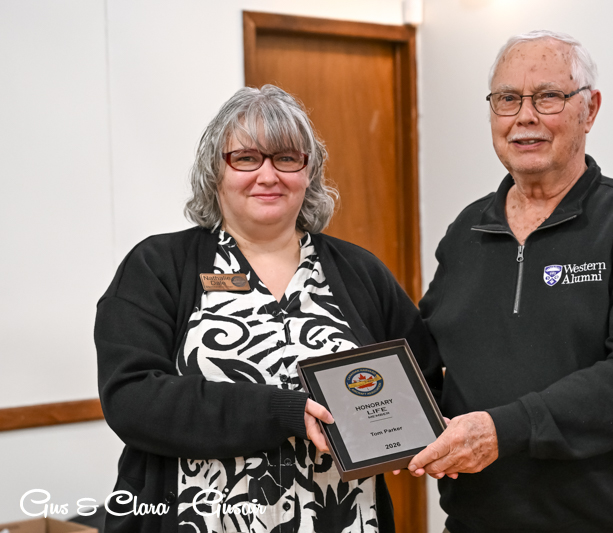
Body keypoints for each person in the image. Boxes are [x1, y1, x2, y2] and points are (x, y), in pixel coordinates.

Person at [95, 85, 437, 533]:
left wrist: (408, 434)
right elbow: (132, 399)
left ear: (309, 172)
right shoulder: (158, 267)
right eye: (246, 158)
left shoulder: (360, 271)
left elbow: (421, 379)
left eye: (286, 158)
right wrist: (283, 411)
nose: (268, 175)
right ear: (215, 170)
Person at [407, 30, 613, 533]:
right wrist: (385, 425)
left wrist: (504, 430)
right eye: (507, 99)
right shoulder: (467, 230)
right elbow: (425, 355)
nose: (524, 117)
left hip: (607, 524)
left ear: (590, 109)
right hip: (476, 522)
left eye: (548, 96)